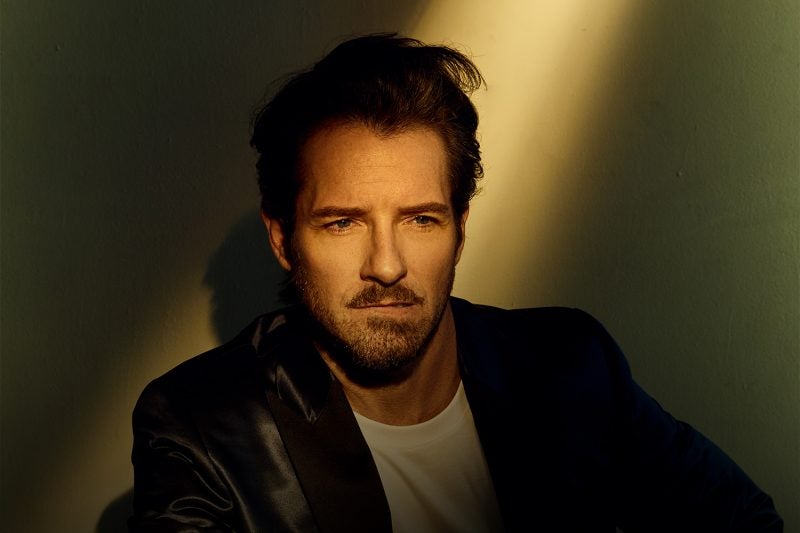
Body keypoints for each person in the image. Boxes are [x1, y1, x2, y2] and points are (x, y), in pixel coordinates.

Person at [129, 33, 783, 532]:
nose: (387, 265)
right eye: (342, 223)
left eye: (420, 219)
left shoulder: (569, 365)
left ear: (459, 229)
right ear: (283, 240)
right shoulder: (199, 428)